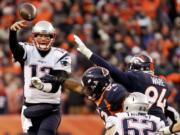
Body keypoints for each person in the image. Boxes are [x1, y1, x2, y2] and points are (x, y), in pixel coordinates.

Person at [73, 34, 178, 125]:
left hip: (145, 123)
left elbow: (113, 71)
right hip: (162, 124)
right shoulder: (163, 83)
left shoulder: (137, 78)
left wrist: (88, 53)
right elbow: (164, 108)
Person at [9, 20, 72, 135]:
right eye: (40, 35)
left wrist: (42, 86)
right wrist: (12, 32)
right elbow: (15, 49)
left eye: (47, 36)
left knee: (45, 132)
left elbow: (56, 84)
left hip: (51, 107)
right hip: (29, 107)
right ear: (34, 36)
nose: (43, 39)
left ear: (52, 37)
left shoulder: (60, 54)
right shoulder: (27, 50)